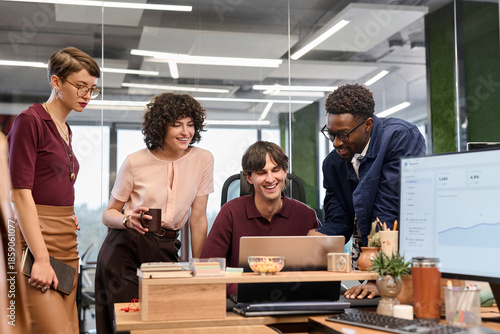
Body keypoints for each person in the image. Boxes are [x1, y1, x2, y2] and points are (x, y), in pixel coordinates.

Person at [95, 92, 214, 334]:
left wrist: (200, 266)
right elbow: (109, 214)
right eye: (176, 124)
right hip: (124, 249)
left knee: (162, 324)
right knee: (128, 327)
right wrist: (128, 220)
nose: (185, 132)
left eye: (190, 124)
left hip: (165, 248)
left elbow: (199, 219)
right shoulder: (135, 162)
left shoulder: (203, 159)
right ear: (161, 126)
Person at [7, 47, 101, 333]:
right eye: (80, 86)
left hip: (65, 238)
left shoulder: (64, 127)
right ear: (56, 82)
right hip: (36, 240)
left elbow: (51, 181)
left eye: (92, 89)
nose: (86, 95)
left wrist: (65, 214)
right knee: (50, 327)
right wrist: (42, 259)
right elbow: (19, 194)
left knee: (70, 327)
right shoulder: (30, 121)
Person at [308, 83, 426, 299]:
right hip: (371, 259)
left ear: (368, 124)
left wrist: (378, 277)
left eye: (343, 134)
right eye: (331, 134)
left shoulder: (400, 137)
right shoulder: (333, 164)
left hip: (404, 260)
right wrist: (317, 238)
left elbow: (388, 211)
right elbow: (339, 220)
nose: (336, 143)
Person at [201, 141, 321, 296]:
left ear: (285, 172)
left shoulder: (306, 215)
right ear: (249, 178)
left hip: (293, 299)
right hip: (242, 298)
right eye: (261, 172)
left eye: (275, 170)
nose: (270, 179)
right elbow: (208, 267)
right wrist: (244, 289)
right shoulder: (230, 212)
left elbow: (321, 268)